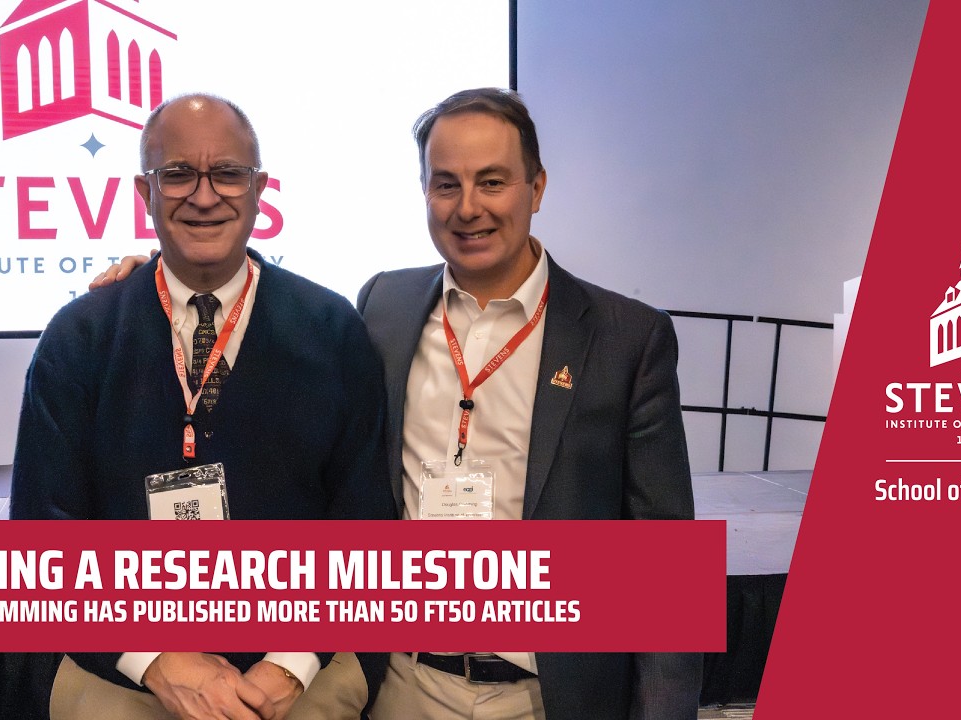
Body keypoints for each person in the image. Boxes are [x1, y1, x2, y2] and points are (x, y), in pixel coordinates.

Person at [93, 87, 700, 720]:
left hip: (550, 696)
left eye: (492, 182)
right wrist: (154, 277)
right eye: (446, 185)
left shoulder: (625, 338)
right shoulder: (384, 308)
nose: (468, 208)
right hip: (403, 687)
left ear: (537, 188)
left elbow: (668, 565)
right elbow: (248, 297)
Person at [11, 92, 395, 720]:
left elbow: (363, 522)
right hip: (124, 677)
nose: (205, 195)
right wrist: (154, 660)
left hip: (298, 675)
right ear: (145, 192)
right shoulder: (81, 336)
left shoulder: (332, 330)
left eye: (227, 173)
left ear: (260, 189)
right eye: (178, 174)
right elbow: (42, 535)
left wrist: (291, 664)